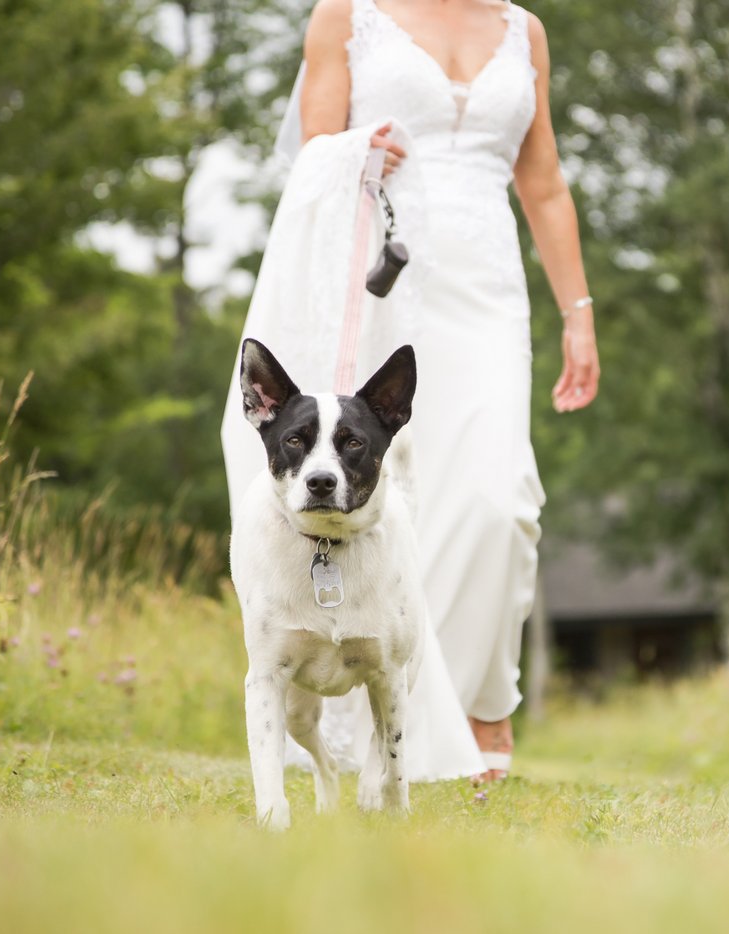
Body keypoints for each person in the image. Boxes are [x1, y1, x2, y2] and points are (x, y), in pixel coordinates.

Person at [223, 0, 600, 783]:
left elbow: (547, 185)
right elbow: (310, 157)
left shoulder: (523, 30)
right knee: (393, 502)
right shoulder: (347, 16)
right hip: (382, 283)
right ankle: (376, 729)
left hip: (490, 294)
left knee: (500, 507)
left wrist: (579, 315)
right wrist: (358, 151)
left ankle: (480, 712)